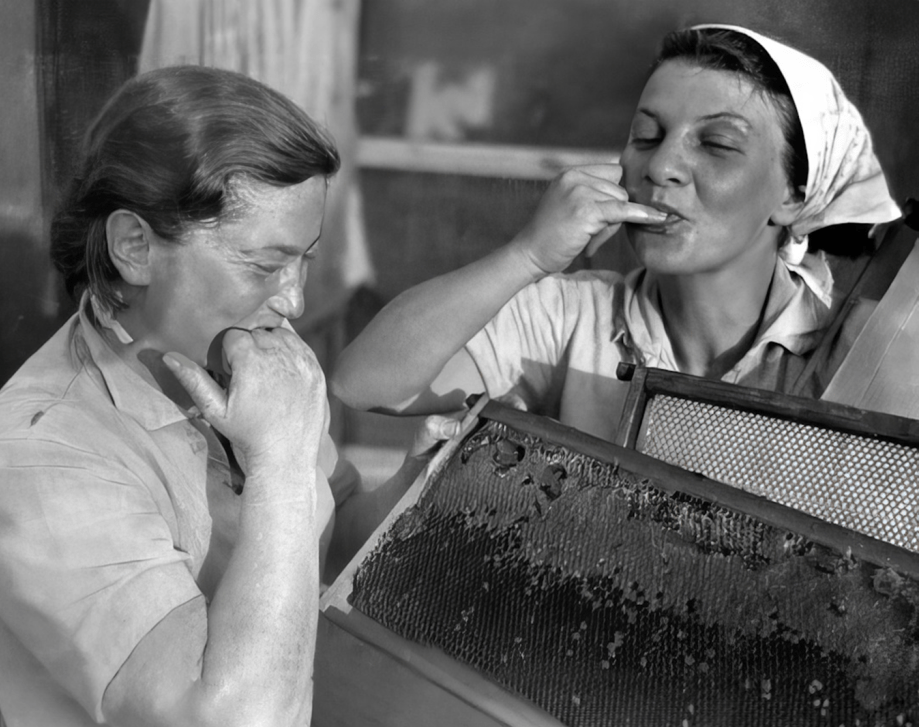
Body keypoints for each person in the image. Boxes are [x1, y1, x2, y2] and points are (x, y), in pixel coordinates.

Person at [0, 66, 456, 727]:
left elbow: (315, 552)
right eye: (262, 265)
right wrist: (276, 462)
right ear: (135, 247)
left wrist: (413, 490)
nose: (293, 301)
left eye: (303, 259)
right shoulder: (31, 462)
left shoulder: (243, 366)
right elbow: (238, 726)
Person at [332, 24, 902, 442]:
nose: (661, 167)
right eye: (647, 136)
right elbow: (364, 383)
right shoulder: (574, 318)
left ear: (795, 195)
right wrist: (527, 255)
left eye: (717, 144)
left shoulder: (851, 350)